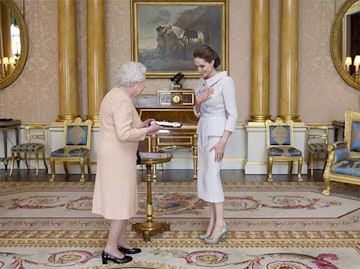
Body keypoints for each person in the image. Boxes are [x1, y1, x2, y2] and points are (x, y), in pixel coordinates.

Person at [92, 61, 162, 264]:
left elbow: (126, 126)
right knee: (120, 203)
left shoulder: (115, 95)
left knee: (122, 199)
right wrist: (148, 131)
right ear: (135, 82)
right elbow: (124, 134)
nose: (144, 86)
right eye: (143, 82)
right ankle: (110, 248)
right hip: (118, 157)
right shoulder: (122, 101)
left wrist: (143, 124)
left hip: (116, 155)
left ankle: (121, 241)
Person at [193, 45, 238, 244]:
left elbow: (233, 114)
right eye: (196, 67)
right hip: (203, 132)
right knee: (205, 178)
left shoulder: (226, 82)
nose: (199, 70)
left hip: (217, 134)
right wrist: (198, 101)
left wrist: (222, 142)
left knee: (213, 177)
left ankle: (220, 223)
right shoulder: (201, 84)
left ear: (212, 62)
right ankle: (212, 222)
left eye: (202, 66)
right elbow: (197, 113)